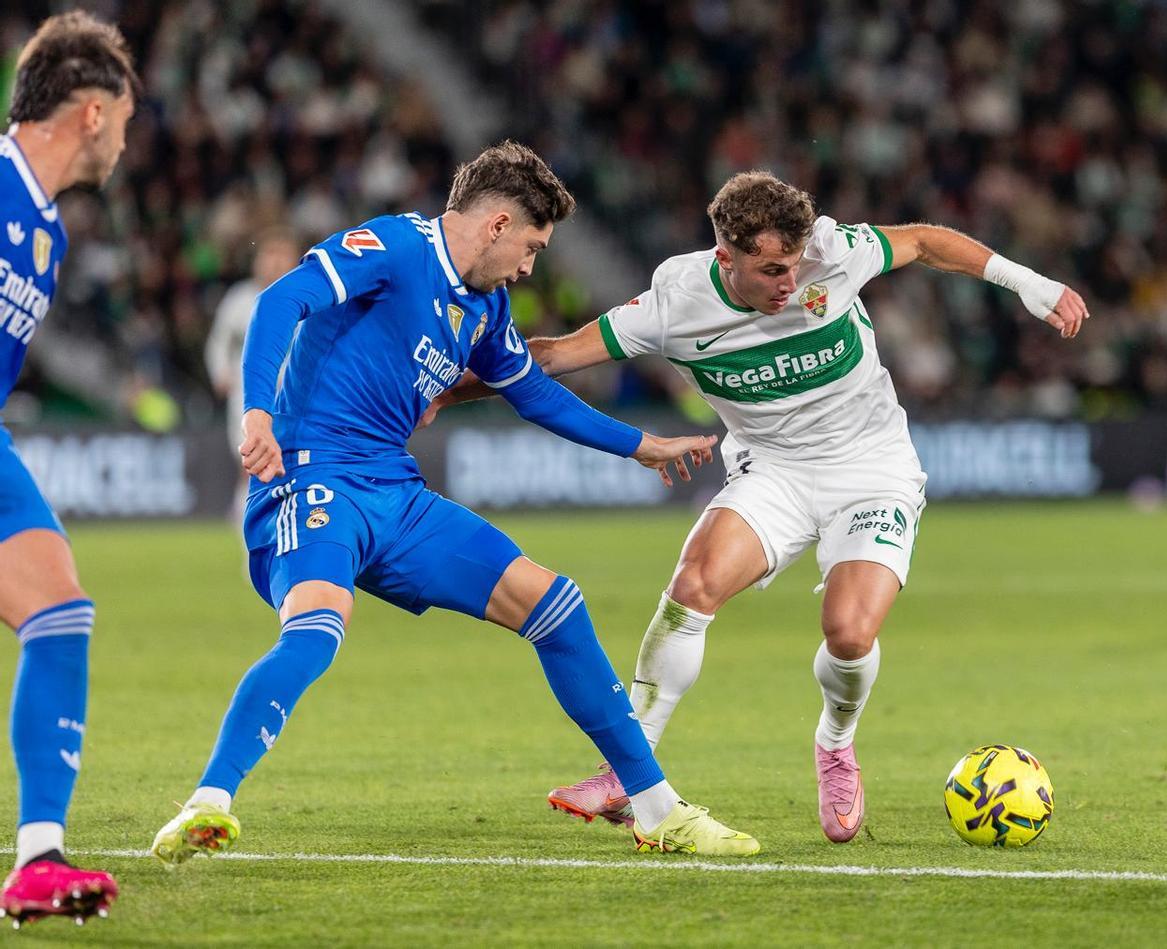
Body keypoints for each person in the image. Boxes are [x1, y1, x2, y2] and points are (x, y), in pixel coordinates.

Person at [426, 170, 1089, 843]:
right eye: (770, 269)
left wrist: (1030, 285)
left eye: (793, 266)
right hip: (773, 470)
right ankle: (628, 769)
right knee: (694, 583)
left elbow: (923, 241)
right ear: (725, 257)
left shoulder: (834, 251)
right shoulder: (674, 300)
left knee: (850, 632)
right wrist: (451, 390)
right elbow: (554, 354)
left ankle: (836, 743)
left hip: (871, 467)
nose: (787, 281)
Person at [151, 142, 759, 864]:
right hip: (313, 476)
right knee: (316, 628)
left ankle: (658, 809)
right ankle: (206, 803)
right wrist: (256, 413)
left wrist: (639, 445)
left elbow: (529, 390)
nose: (531, 266)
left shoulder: (486, 306)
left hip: (395, 492)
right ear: (498, 224)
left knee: (555, 604)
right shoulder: (394, 247)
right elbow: (284, 299)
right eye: (531, 246)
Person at [0, 11, 136, 927]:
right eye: (125, 117)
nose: (128, 139)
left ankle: (39, 857)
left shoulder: (43, 232)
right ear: (92, 113)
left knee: (59, 608)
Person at [204, 228, 300, 517]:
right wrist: (221, 373)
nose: (274, 263)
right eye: (269, 256)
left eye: (282, 256)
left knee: (293, 468)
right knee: (252, 467)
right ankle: (250, 546)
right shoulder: (240, 299)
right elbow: (219, 341)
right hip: (247, 398)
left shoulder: (307, 297)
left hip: (294, 399)